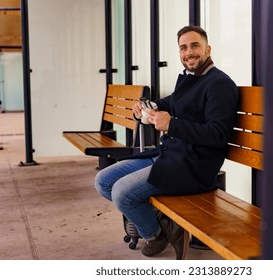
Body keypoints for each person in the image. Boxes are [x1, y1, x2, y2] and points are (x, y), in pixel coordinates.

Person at [94, 25, 238, 259]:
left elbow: (217, 135)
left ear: (208, 48)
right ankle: (164, 226)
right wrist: (148, 106)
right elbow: (172, 103)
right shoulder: (191, 78)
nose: (189, 52)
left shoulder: (219, 84)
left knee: (122, 192)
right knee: (103, 180)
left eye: (195, 46)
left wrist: (171, 125)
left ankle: (154, 235)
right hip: (169, 155)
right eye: (183, 47)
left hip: (193, 167)